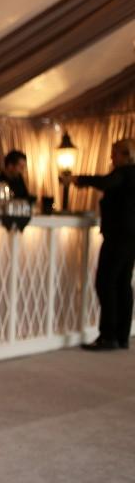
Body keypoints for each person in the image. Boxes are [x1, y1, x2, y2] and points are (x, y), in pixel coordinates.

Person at [68, 138, 135, 351]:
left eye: (114, 154)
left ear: (126, 155)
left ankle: (108, 336)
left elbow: (106, 182)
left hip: (119, 236)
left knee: (106, 283)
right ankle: (121, 336)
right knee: (122, 284)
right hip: (130, 237)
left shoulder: (124, 173)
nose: (111, 158)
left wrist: (78, 179)